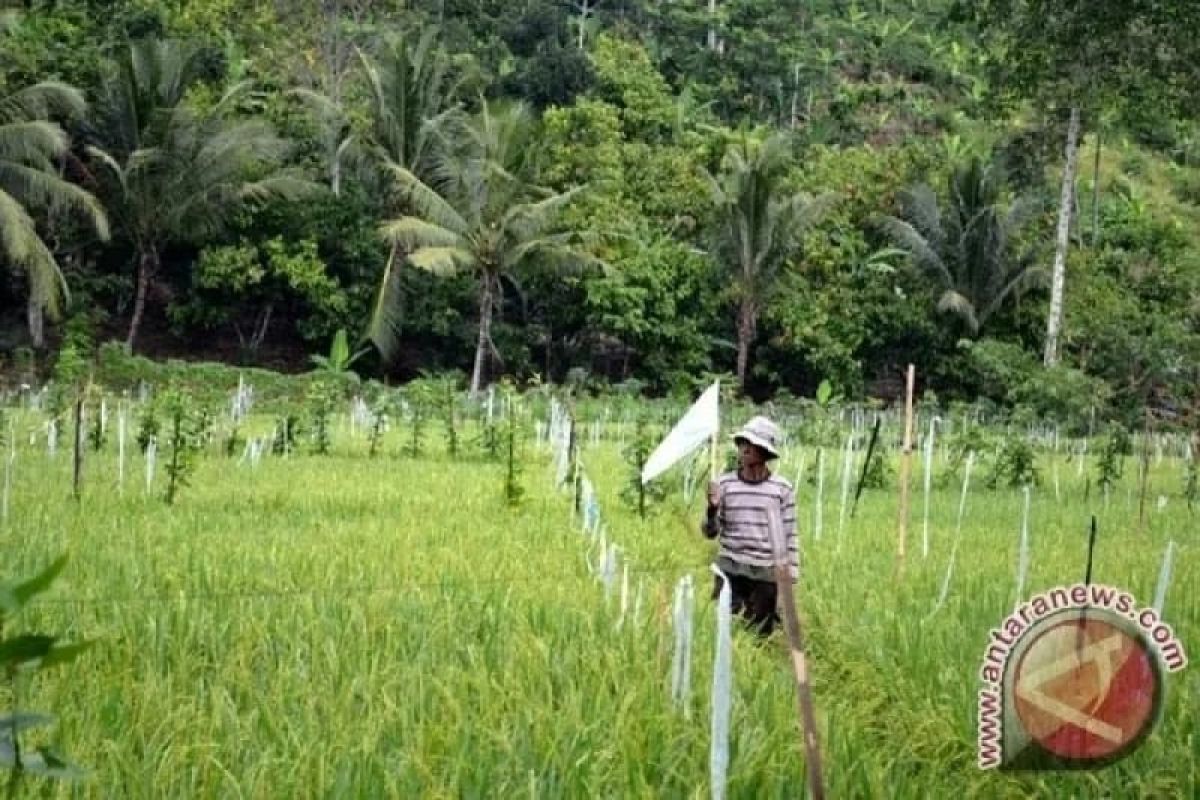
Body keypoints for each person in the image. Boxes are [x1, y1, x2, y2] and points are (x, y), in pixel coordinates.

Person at [700, 415, 798, 637]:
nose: (745, 448)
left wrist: (788, 580)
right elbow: (709, 532)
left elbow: (789, 536)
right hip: (730, 569)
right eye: (743, 442)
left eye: (752, 444)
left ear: (765, 452)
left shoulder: (781, 489)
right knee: (724, 632)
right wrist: (712, 509)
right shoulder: (723, 484)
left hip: (765, 573)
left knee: (760, 636)